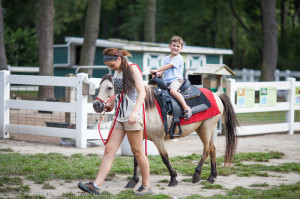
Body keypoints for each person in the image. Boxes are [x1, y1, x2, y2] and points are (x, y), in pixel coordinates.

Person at [78, 48, 152, 195]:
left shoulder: (133, 69)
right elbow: (120, 94)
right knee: (109, 149)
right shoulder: (117, 72)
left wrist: (135, 112)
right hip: (119, 116)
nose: (110, 68)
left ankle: (147, 186)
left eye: (111, 65)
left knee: (137, 152)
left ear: (118, 59)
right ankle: (96, 186)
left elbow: (142, 92)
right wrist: (110, 104)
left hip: (132, 117)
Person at [150, 36, 192, 121]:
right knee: (155, 91)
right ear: (170, 46)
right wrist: (158, 73)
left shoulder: (179, 58)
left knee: (172, 91)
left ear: (181, 48)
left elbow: (169, 66)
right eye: (174, 45)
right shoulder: (166, 58)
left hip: (176, 79)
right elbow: (165, 70)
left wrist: (157, 69)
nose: (175, 48)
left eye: (178, 46)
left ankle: (186, 107)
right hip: (167, 80)